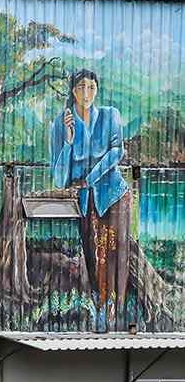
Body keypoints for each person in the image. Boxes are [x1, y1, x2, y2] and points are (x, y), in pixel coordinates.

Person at [50, 68, 131, 327]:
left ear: (97, 89)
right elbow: (59, 178)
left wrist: (91, 177)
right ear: (73, 91)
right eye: (81, 87)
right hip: (86, 201)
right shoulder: (61, 124)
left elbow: (117, 151)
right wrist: (69, 142)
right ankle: (98, 308)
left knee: (114, 252)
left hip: (112, 195)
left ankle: (114, 311)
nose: (87, 92)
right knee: (91, 254)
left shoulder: (110, 115)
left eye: (92, 87)